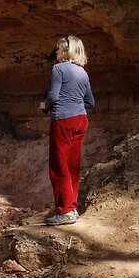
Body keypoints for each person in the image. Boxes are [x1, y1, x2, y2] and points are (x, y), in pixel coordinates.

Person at [40, 35, 94, 225]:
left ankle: (65, 211)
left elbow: (53, 96)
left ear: (68, 52)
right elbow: (90, 102)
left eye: (60, 49)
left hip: (63, 119)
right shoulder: (83, 72)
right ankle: (72, 206)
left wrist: (44, 106)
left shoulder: (59, 68)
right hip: (81, 120)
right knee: (72, 166)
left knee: (58, 166)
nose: (57, 52)